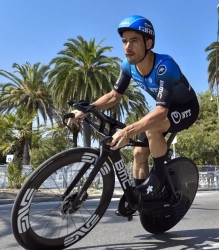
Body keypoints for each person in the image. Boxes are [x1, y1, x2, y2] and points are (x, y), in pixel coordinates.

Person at [68, 15, 199, 196]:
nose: (127, 47)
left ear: (148, 44)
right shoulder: (128, 67)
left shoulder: (165, 67)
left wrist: (127, 131)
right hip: (163, 110)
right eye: (124, 41)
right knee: (138, 154)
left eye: (134, 41)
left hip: (186, 108)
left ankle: (158, 178)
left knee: (153, 129)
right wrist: (87, 109)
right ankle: (140, 198)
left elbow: (161, 112)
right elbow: (114, 96)